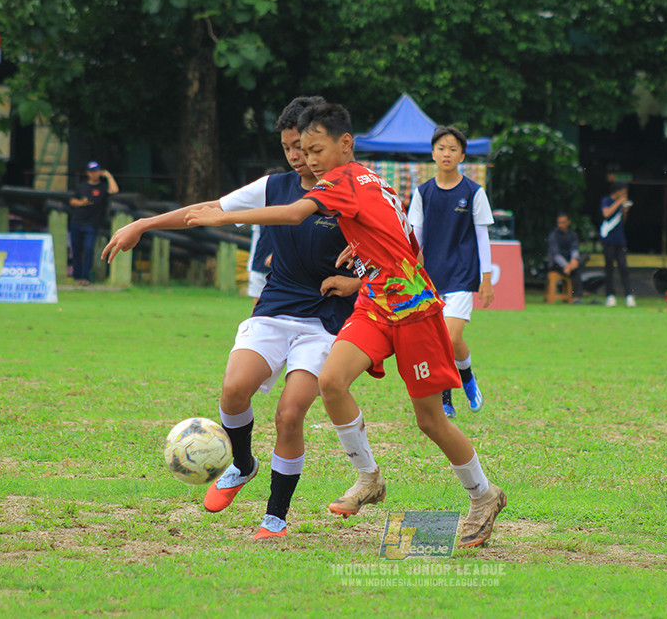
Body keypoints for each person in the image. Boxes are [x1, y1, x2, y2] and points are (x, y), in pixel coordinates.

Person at [183, 102, 507, 548]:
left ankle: (484, 495)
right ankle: (369, 478)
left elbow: (296, 213)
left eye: (316, 149)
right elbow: (401, 236)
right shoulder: (375, 181)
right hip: (375, 301)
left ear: (345, 143)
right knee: (332, 380)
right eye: (303, 151)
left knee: (430, 421)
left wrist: (223, 216)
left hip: (414, 308)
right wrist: (360, 251)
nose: (310, 159)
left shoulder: (342, 179)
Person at [103, 96, 361, 540]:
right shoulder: (274, 187)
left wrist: (358, 284)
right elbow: (207, 210)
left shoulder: (356, 190)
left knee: (290, 413)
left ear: (330, 143)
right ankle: (243, 464)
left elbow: (400, 253)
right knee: (234, 389)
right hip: (275, 308)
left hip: (325, 320)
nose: (298, 157)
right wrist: (143, 224)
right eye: (288, 148)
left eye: (304, 146)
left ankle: (275, 518)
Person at [408, 126, 494, 420]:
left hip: (461, 276)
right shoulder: (422, 193)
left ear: (462, 155)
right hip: (428, 279)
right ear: (433, 154)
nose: (447, 153)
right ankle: (447, 397)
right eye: (442, 148)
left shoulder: (473, 192)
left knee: (451, 336)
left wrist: (486, 278)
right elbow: (414, 238)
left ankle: (466, 378)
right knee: (436, 341)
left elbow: (482, 238)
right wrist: (409, 272)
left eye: (453, 149)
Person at [69, 162, 119, 285]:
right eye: (91, 171)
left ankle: (85, 277)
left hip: (92, 224)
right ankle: (76, 277)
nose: (94, 174)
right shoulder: (81, 186)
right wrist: (82, 203)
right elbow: (72, 201)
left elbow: (114, 190)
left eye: (96, 171)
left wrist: (108, 176)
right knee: (75, 250)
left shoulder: (102, 187)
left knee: (88, 249)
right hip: (77, 221)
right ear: (87, 173)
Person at [599, 182, 636, 308]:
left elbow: (623, 221)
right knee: (609, 268)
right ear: (618, 191)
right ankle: (610, 295)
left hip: (620, 239)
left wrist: (625, 211)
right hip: (608, 239)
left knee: (623, 267)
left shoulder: (621, 203)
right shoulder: (607, 200)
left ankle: (628, 295)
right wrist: (619, 202)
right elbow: (606, 214)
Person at [546, 213, 583, 304]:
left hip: (570, 264)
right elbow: (556, 255)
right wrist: (566, 265)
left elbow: (575, 249)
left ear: (568, 222)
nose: (560, 225)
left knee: (580, 260)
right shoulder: (553, 235)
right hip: (557, 264)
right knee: (576, 269)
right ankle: (575, 297)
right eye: (559, 223)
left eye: (563, 222)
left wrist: (572, 262)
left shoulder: (572, 235)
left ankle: (575, 296)